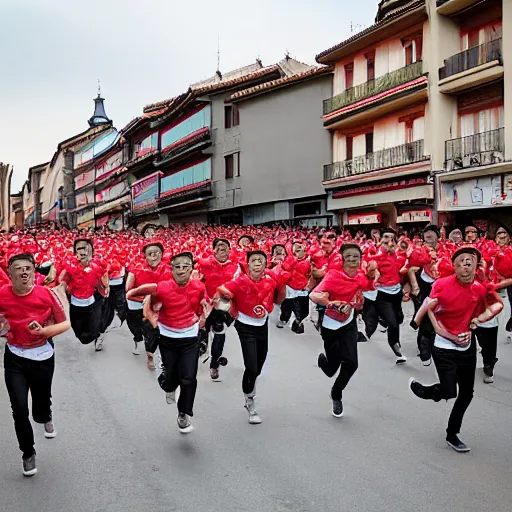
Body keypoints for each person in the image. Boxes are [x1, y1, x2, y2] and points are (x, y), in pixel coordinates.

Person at [409, 246, 503, 452]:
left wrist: (476, 322)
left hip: (467, 346)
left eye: (470, 261)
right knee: (449, 391)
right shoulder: (441, 284)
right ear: (454, 265)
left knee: (467, 393)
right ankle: (427, 392)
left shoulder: (479, 288)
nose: (466, 265)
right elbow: (429, 310)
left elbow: (494, 306)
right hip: (443, 347)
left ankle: (452, 434)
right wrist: (445, 334)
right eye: (461, 261)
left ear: (476, 265)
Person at [1, 253, 70, 476]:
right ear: (9, 273)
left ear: (34, 272)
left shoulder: (46, 294)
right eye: (18, 268)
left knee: (40, 403)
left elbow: (65, 323)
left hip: (42, 355)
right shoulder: (1, 295)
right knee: (19, 408)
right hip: (15, 357)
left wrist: (43, 331)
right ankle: (28, 453)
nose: (23, 272)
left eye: (28, 268)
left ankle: (45, 415)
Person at [127, 252, 209, 434]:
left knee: (188, 378)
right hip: (167, 337)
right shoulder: (161, 287)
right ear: (171, 269)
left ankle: (183, 413)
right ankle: (169, 386)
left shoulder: (198, 286)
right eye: (177, 266)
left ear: (192, 269)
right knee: (171, 379)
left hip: (189, 337)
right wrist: (151, 311)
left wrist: (202, 319)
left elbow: (200, 307)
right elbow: (133, 294)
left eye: (185, 266)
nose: (181, 270)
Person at [310, 244, 377, 417]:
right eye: (348, 256)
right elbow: (314, 295)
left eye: (356, 256)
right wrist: (330, 303)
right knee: (332, 368)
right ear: (342, 258)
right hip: (330, 326)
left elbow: (369, 287)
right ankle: (324, 362)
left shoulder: (361, 277)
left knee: (352, 363)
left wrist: (370, 276)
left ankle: (336, 394)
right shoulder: (333, 276)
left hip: (348, 324)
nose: (353, 260)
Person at [217, 251, 280, 424]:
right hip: (244, 325)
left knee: (259, 366)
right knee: (251, 367)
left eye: (261, 260)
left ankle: (251, 384)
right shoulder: (239, 281)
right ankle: (250, 401)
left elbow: (279, 295)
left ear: (266, 264)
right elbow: (222, 292)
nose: (257, 263)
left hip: (262, 325)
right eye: (254, 260)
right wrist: (229, 308)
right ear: (248, 264)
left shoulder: (270, 281)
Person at [196, 238, 240, 380]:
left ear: (229, 250)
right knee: (202, 332)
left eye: (225, 246)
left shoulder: (236, 266)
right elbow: (195, 281)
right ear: (213, 249)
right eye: (218, 246)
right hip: (205, 303)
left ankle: (214, 363)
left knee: (219, 333)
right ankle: (200, 353)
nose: (222, 249)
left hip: (224, 306)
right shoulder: (204, 263)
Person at [59, 239, 109, 351]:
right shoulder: (69, 265)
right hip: (75, 305)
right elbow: (63, 280)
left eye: (85, 248)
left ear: (91, 250)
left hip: (92, 304)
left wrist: (106, 286)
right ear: (75, 252)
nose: (82, 251)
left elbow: (103, 276)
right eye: (79, 249)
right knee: (81, 336)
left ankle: (98, 335)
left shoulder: (98, 264)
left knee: (92, 331)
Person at [125, 242, 169, 366]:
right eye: (150, 253)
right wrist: (143, 297)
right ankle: (138, 338)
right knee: (136, 328)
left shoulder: (169, 268)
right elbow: (128, 289)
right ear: (145, 256)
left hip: (157, 306)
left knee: (153, 330)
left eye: (157, 253)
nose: (154, 256)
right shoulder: (136, 268)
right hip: (137, 304)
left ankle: (151, 354)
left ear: (162, 254)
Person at [370, 228, 407, 364]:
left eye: (391, 238)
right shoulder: (376, 254)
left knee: (399, 318)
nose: (388, 240)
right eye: (386, 237)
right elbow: (368, 263)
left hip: (396, 292)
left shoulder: (400, 255)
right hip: (382, 293)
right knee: (393, 322)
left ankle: (382, 319)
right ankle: (395, 344)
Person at [408, 225, 441, 366]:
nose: (428, 234)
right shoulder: (417, 250)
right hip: (423, 288)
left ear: (437, 236)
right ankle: (425, 350)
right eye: (426, 232)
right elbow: (411, 265)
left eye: (432, 232)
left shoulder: (445, 250)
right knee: (426, 319)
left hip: (441, 287)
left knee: (438, 318)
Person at [278, 241, 311, 333]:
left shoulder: (310, 260)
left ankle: (298, 321)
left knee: (303, 309)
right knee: (286, 307)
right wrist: (295, 259)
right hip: (290, 288)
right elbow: (285, 268)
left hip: (303, 288)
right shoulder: (289, 259)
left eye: (301, 248)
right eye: (297, 250)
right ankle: (284, 319)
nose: (300, 250)